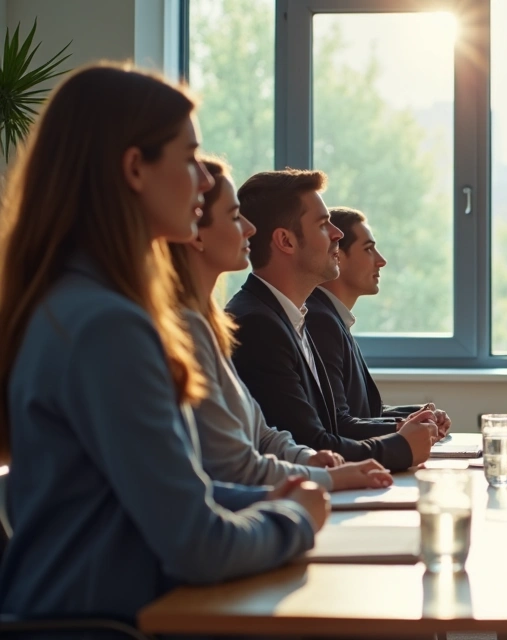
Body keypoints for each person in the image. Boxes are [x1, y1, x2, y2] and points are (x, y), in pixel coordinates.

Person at [0, 64, 324, 629]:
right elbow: (194, 544)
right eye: (189, 157)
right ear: (134, 168)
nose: (204, 179)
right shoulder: (109, 327)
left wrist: (272, 501)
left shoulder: (69, 302)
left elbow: (159, 495)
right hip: (103, 624)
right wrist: (294, 520)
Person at [169, 157, 396, 491]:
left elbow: (262, 434)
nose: (248, 228)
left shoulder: (222, 321)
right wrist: (327, 476)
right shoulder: (249, 323)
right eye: (235, 217)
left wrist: (306, 460)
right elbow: (232, 464)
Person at [225, 169, 435, 471]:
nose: (337, 234)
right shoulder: (258, 324)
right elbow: (310, 444)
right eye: (323, 225)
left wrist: (406, 429)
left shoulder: (290, 315)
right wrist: (401, 447)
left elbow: (334, 425)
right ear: (286, 240)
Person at [305, 206, 449, 435]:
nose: (381, 261)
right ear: (337, 256)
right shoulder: (320, 321)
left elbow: (363, 414)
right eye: (369, 249)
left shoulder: (333, 317)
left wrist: (418, 416)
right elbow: (339, 423)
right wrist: (405, 429)